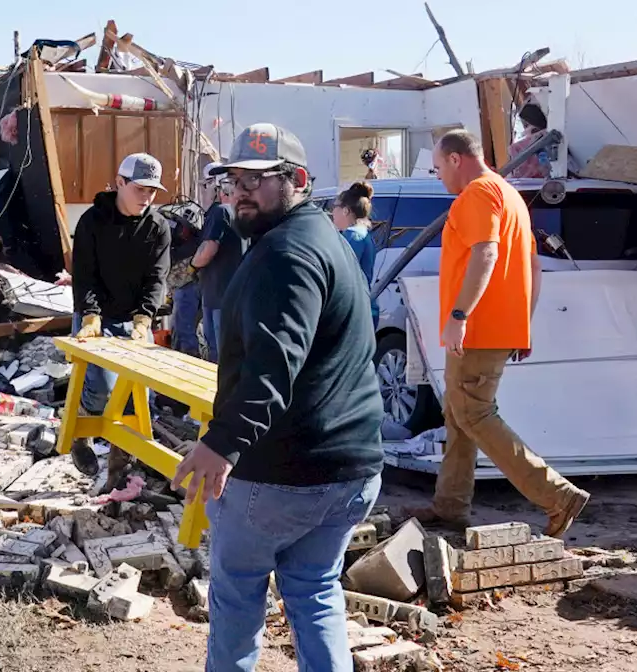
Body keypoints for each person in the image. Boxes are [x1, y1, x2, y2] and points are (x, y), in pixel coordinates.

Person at [173, 123, 383, 671]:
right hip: (349, 470)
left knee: (239, 596)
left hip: (281, 474)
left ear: (298, 180)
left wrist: (221, 444)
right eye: (234, 178)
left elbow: (272, 368)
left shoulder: (285, 257)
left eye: (259, 179)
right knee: (314, 591)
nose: (241, 190)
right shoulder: (321, 240)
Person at [405, 129, 590, 538]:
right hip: (495, 328)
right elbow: (533, 268)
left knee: (473, 413)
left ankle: (558, 496)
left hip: (478, 329)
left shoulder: (477, 194)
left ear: (456, 159)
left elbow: (486, 251)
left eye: (438, 168)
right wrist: (522, 323)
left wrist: (459, 313)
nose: (439, 177)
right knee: (458, 415)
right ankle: (450, 506)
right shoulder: (511, 198)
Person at [70, 152, 172, 483]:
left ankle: (120, 468)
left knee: (134, 396)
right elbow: (85, 276)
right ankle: (81, 431)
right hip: (95, 313)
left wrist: (143, 320)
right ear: (120, 183)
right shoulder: (91, 222)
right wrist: (91, 317)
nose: (147, 197)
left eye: (152, 191)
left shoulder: (158, 228)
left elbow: (157, 278)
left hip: (133, 318)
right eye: (140, 189)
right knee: (100, 386)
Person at [190, 163, 242, 362]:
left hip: (218, 296)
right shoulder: (239, 213)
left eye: (206, 185)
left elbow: (208, 249)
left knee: (218, 356)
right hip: (230, 296)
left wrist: (191, 267)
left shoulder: (220, 211)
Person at [329, 181, 379, 329]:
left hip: (354, 312)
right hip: (365, 308)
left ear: (345, 210)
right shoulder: (362, 233)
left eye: (335, 207)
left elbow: (341, 277)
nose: (332, 212)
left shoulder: (352, 236)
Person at [169, 201, 206, 357]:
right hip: (186, 287)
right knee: (182, 331)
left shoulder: (190, 247)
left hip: (189, 287)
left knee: (184, 333)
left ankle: (188, 364)